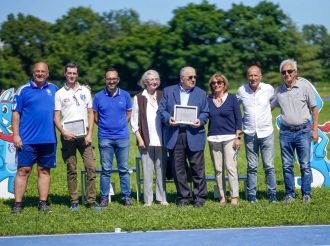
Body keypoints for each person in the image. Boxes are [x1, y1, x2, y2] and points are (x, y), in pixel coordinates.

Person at [157, 66, 209, 208]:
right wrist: (169, 119)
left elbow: (205, 112)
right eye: (190, 77)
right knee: (178, 168)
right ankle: (184, 197)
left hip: (194, 134)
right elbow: (161, 110)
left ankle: (200, 197)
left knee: (197, 168)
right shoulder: (168, 91)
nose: (193, 79)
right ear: (182, 79)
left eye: (195, 77)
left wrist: (200, 120)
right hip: (175, 134)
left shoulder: (201, 93)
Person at [11, 62, 58, 214]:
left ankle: (42, 203)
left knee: (44, 171)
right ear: (33, 72)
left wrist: (84, 88)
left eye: (43, 71)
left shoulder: (54, 89)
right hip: (27, 140)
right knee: (23, 171)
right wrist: (16, 135)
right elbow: (16, 114)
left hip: (48, 139)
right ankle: (17, 205)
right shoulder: (23, 90)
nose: (40, 73)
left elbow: (69, 97)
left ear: (47, 73)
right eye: (37, 71)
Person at [54, 62, 100, 211]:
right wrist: (64, 132)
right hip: (67, 137)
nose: (72, 76)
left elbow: (90, 113)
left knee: (91, 168)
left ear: (77, 74)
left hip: (84, 136)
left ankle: (91, 200)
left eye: (74, 73)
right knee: (71, 169)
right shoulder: (59, 93)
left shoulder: (85, 92)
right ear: (65, 74)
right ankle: (74, 201)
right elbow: (56, 117)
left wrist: (90, 134)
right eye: (69, 73)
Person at [271, 59, 318, 203]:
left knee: (304, 165)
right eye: (284, 72)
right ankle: (289, 194)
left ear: (295, 72)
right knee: (287, 165)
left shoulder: (304, 88)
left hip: (303, 131)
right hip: (285, 133)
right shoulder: (279, 91)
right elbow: (268, 108)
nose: (287, 74)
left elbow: (314, 110)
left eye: (289, 71)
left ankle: (306, 194)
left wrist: (314, 130)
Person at [236, 66, 278, 203]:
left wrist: (266, 113)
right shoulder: (241, 91)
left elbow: (275, 102)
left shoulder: (268, 89)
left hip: (266, 133)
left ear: (260, 76)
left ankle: (272, 194)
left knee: (269, 165)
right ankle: (252, 195)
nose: (253, 78)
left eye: (255, 75)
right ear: (247, 76)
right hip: (249, 133)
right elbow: (233, 106)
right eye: (250, 75)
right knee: (252, 166)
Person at [93, 68, 133, 207]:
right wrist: (105, 126)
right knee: (106, 170)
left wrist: (120, 125)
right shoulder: (98, 96)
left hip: (122, 137)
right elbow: (95, 117)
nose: (111, 81)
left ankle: (126, 197)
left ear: (118, 80)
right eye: (108, 79)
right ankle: (104, 197)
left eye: (114, 78)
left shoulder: (126, 95)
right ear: (105, 80)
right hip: (105, 138)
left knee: (124, 169)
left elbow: (129, 113)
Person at [131, 70, 168, 206]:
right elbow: (134, 122)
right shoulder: (139, 97)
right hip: (145, 140)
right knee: (147, 171)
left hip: (161, 139)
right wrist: (139, 139)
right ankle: (148, 200)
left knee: (161, 169)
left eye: (156, 79)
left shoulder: (162, 96)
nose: (154, 82)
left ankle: (162, 198)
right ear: (145, 82)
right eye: (151, 80)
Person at [207, 73, 242, 205]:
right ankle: (222, 196)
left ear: (224, 84)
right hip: (213, 138)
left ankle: (234, 196)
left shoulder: (232, 99)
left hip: (229, 138)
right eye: (213, 83)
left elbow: (239, 119)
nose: (216, 85)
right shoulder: (208, 100)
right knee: (218, 169)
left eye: (219, 82)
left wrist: (237, 137)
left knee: (231, 167)